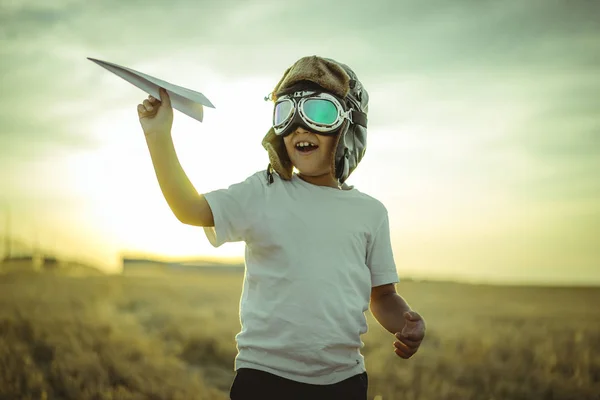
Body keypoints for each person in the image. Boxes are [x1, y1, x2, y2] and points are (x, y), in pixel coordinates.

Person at [137, 55, 426, 400]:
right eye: (286, 113)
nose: (300, 127)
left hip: (343, 382)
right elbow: (191, 209)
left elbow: (383, 296)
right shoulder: (265, 191)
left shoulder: (371, 213)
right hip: (262, 378)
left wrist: (405, 322)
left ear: (350, 125)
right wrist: (158, 136)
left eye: (319, 111)